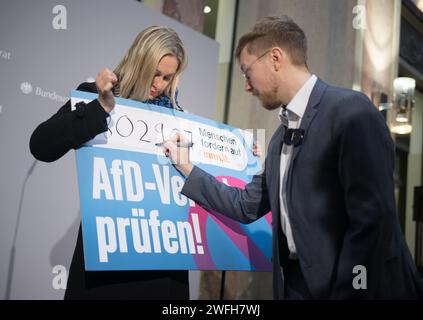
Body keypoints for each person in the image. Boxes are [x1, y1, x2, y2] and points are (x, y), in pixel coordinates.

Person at [164, 16, 423, 299]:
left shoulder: (351, 112)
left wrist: (353, 289)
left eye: (247, 72)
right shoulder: (278, 141)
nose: (247, 87)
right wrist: (186, 166)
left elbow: (372, 220)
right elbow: (244, 205)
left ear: (275, 57)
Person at [29, 26, 189, 299]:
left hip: (162, 268)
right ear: (140, 60)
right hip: (106, 266)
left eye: (167, 77)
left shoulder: (179, 120)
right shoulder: (96, 96)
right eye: (155, 72)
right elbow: (41, 145)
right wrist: (100, 108)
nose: (159, 84)